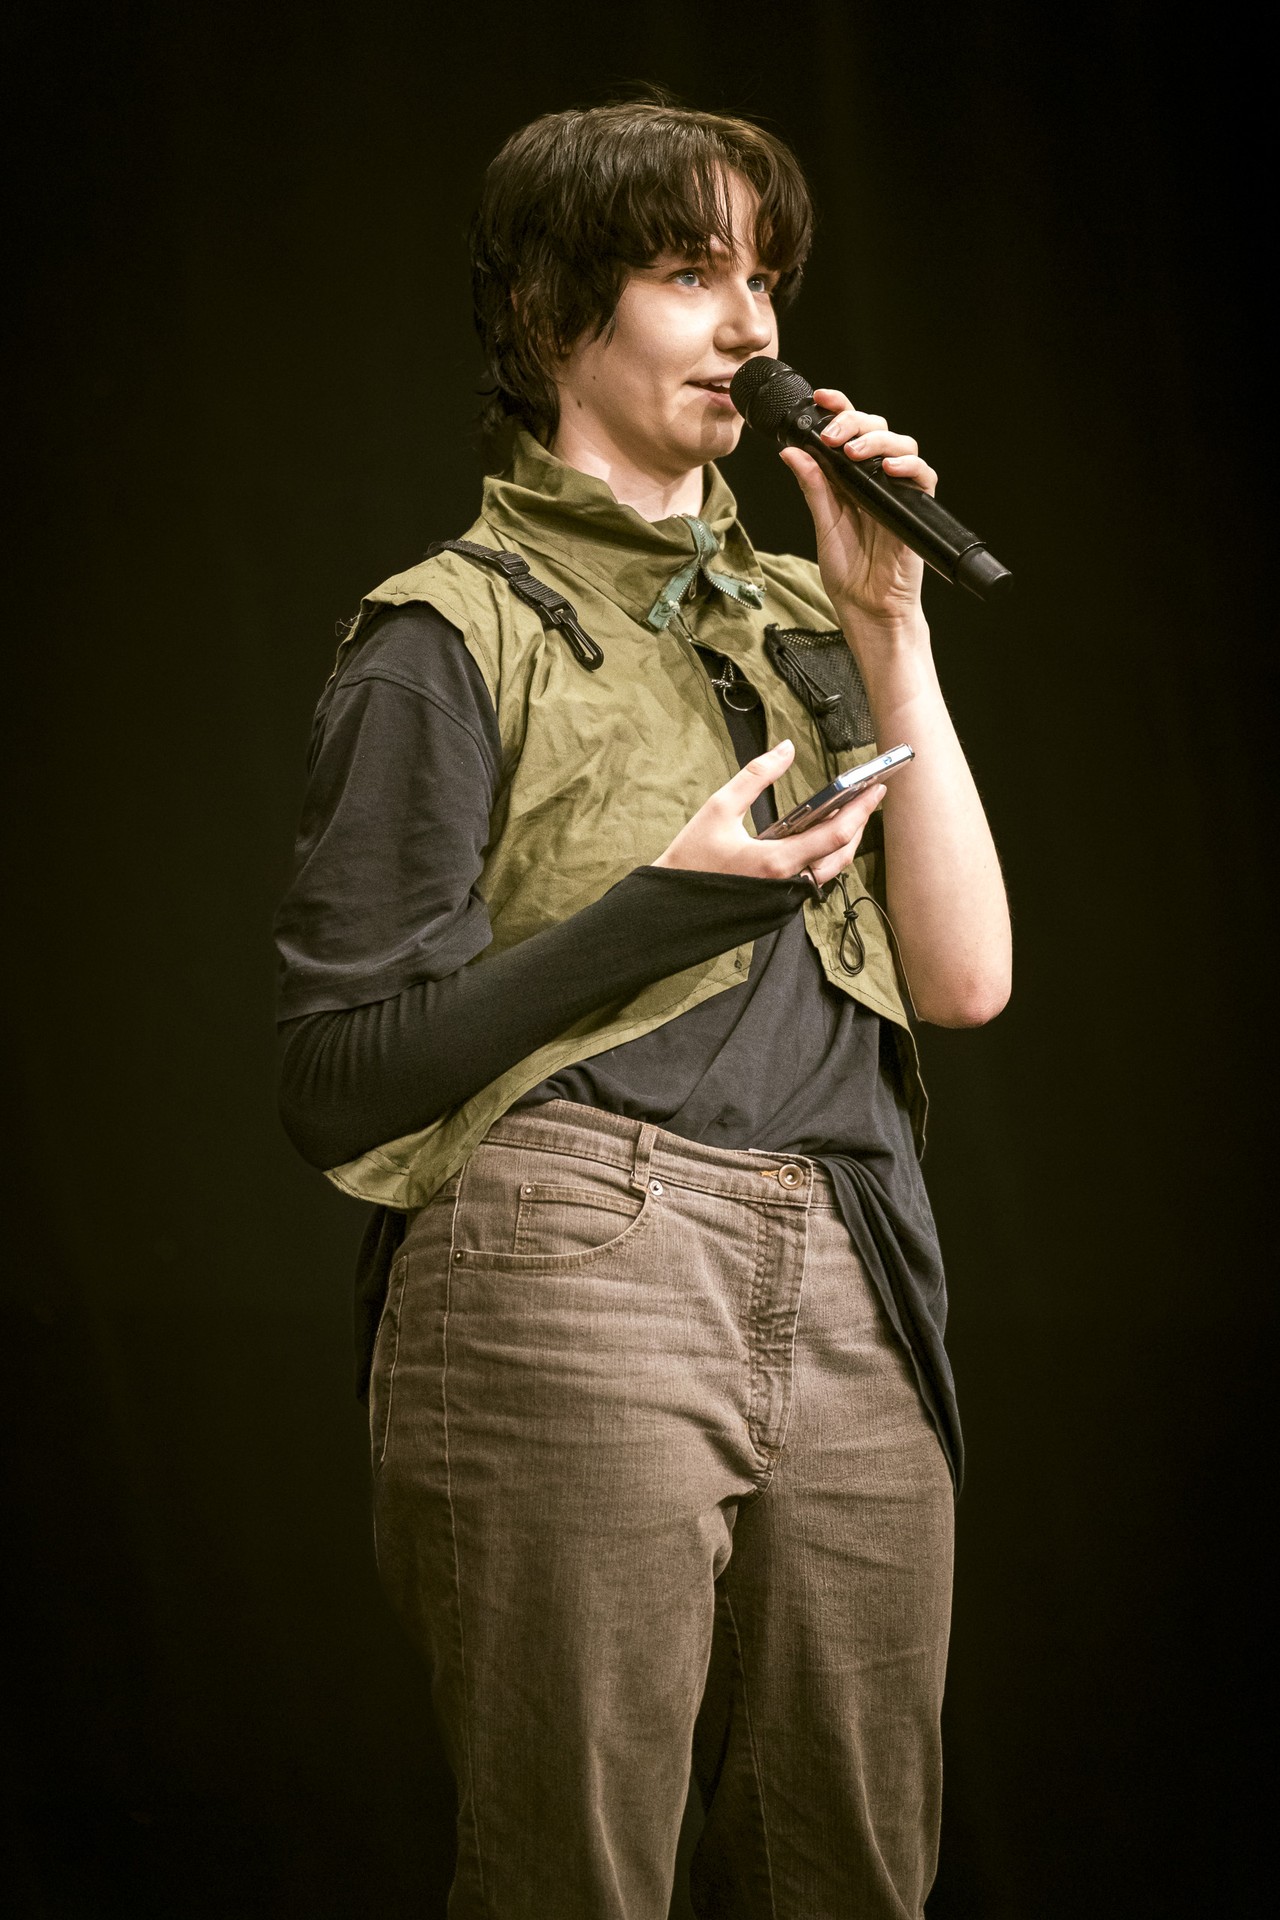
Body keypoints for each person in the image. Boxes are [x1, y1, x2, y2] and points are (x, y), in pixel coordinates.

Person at [275, 96, 1011, 1920]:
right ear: (551, 316)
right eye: (692, 274)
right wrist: (664, 911)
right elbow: (336, 1080)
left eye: (766, 280)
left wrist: (890, 624)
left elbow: (966, 981)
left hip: (852, 1260)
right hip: (577, 1255)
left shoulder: (804, 612)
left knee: (859, 1873)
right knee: (577, 1877)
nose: (752, 328)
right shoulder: (446, 633)